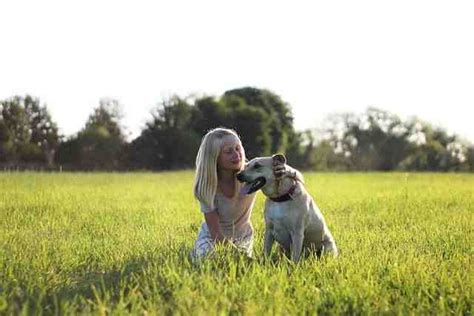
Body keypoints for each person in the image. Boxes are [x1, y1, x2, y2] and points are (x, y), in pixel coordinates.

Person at [190, 127, 298, 261]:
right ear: (215, 157)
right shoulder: (206, 186)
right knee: (209, 259)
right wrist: (239, 256)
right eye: (228, 152)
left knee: (240, 264)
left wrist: (286, 171)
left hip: (243, 237)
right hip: (213, 238)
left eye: (237, 148)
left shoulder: (251, 173)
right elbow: (216, 234)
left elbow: (297, 177)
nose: (236, 155)